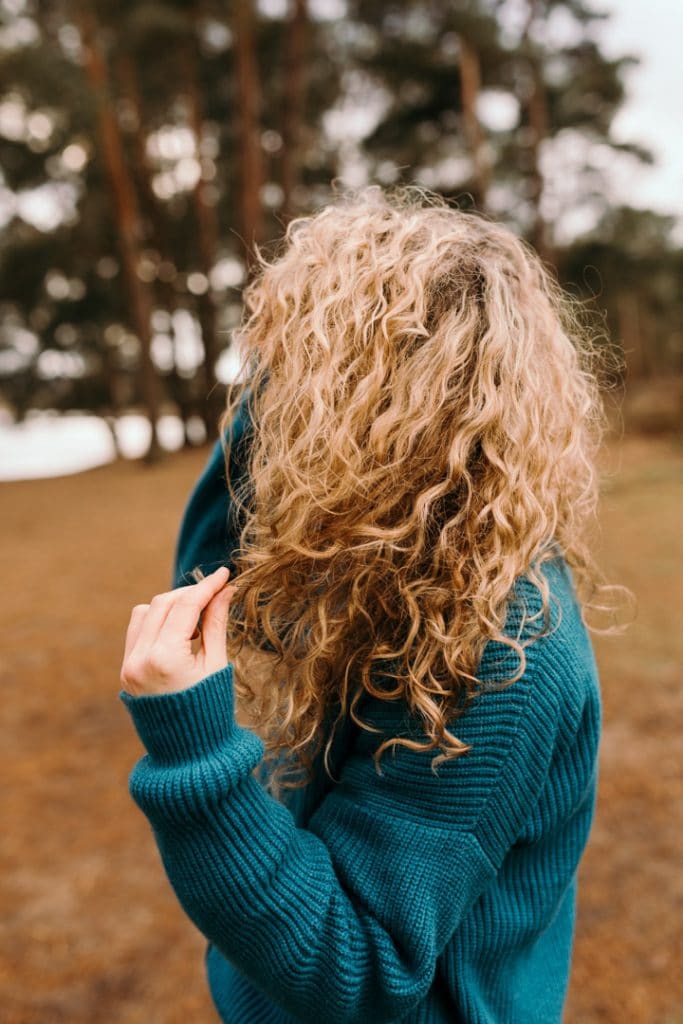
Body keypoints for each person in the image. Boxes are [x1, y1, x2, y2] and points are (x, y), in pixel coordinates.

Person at [118, 186, 622, 1023]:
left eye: (307, 372)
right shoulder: (395, 550)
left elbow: (360, 968)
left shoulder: (505, 647)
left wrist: (192, 758)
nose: (279, 397)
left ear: (368, 405)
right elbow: (221, 582)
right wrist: (271, 411)